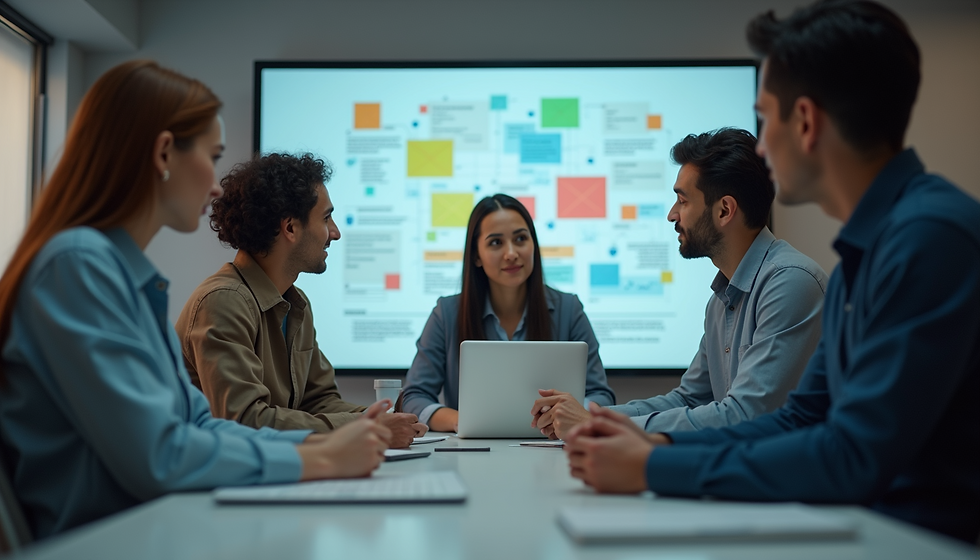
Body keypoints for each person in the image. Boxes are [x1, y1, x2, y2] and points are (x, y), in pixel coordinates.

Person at [563, 0, 980, 544]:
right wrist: (656, 446)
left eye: (765, 118)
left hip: (919, 542)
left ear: (805, 122)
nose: (761, 147)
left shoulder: (930, 239)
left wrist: (653, 466)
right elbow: (799, 419)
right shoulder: (866, 254)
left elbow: (852, 455)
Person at [0, 61, 391, 540]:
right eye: (213, 155)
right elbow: (159, 455)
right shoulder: (78, 267)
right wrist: (322, 457)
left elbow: (201, 427)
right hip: (107, 541)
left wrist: (321, 449)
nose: (216, 185)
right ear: (165, 152)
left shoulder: (123, 278)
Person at [531, 128, 827, 440]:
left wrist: (597, 425)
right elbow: (689, 399)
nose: (672, 215)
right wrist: (589, 416)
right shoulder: (722, 300)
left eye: (682, 201)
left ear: (724, 210)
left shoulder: (790, 282)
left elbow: (745, 415)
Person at [175, 153, 426, 448]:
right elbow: (244, 421)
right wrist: (368, 426)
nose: (336, 232)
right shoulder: (223, 302)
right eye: (326, 218)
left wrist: (391, 419)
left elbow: (319, 401)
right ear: (291, 228)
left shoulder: (295, 303)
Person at [402, 194, 616, 432]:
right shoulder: (447, 313)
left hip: (552, 447)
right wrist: (461, 420)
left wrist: (571, 416)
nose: (511, 253)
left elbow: (600, 395)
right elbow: (414, 397)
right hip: (474, 449)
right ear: (476, 255)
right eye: (496, 242)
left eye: (520, 239)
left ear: (533, 245)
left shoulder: (569, 309)